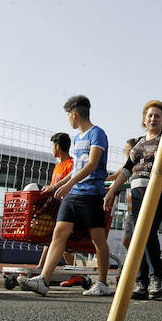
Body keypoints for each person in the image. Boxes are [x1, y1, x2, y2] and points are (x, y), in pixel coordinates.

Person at [18, 95, 111, 297]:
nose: (69, 119)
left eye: (69, 115)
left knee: (97, 239)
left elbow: (92, 164)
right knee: (59, 233)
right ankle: (43, 280)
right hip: (73, 194)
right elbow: (75, 168)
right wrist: (56, 186)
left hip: (91, 194)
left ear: (75, 114)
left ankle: (103, 282)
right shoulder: (77, 138)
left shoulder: (97, 134)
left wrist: (69, 184)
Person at [104, 102, 162, 300]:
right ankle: (140, 281)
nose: (152, 119)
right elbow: (126, 169)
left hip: (156, 191)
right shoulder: (138, 143)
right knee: (138, 237)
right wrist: (111, 191)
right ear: (144, 119)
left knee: (147, 233)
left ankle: (156, 276)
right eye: (149, 116)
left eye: (157, 116)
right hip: (137, 191)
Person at [33, 132, 76, 279]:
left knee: (55, 239)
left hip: (64, 207)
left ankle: (41, 269)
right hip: (54, 207)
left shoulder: (71, 165)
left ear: (57, 146)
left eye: (52, 146)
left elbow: (70, 185)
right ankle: (41, 269)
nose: (52, 149)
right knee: (53, 239)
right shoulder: (58, 167)